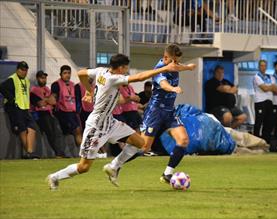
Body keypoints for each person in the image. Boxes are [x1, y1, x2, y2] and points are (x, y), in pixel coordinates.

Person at [46, 53, 194, 190]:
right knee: (83, 167)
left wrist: (89, 90)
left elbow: (81, 73)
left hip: (110, 122)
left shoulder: (100, 71)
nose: (126, 71)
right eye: (126, 68)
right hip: (96, 126)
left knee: (140, 143)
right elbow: (140, 77)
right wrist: (165, 68)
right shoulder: (113, 78)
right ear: (121, 67)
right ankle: (54, 177)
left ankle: (114, 166)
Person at [107, 44, 196, 186]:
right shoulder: (159, 70)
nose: (177, 64)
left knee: (183, 140)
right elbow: (164, 84)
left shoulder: (172, 64)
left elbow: (177, 67)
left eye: (178, 61)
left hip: (169, 111)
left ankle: (167, 174)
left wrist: (188, 67)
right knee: (144, 147)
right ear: (166, 58)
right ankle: (115, 165)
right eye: (175, 61)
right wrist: (173, 88)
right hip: (155, 112)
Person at [0, 61, 38, 159]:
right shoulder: (12, 79)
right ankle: (29, 152)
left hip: (25, 108)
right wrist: (12, 99)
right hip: (15, 108)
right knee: (22, 129)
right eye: (22, 70)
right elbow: (2, 87)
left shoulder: (26, 81)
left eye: (25, 70)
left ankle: (29, 152)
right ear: (17, 70)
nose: (24, 72)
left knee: (32, 128)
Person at [30, 70, 66, 157]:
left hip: (49, 113)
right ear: (38, 79)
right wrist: (47, 100)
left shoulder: (47, 89)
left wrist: (46, 100)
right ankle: (58, 153)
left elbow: (53, 102)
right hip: (40, 114)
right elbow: (39, 104)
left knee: (57, 133)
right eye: (42, 78)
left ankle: (60, 152)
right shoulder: (33, 90)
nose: (44, 80)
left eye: (45, 78)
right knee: (50, 133)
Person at [51, 65, 82, 148]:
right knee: (75, 130)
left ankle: (80, 151)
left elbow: (77, 100)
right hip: (62, 112)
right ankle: (82, 152)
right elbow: (53, 98)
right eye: (65, 73)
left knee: (78, 130)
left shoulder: (73, 85)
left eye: (69, 73)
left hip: (72, 112)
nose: (67, 75)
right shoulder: (56, 84)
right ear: (60, 74)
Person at [253, 60, 277, 143]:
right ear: (258, 67)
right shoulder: (257, 76)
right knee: (259, 123)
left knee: (268, 123)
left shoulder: (270, 77)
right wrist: (271, 86)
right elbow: (264, 89)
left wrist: (270, 87)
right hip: (260, 101)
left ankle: (266, 142)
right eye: (261, 65)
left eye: (264, 65)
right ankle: (255, 142)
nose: (263, 67)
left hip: (269, 101)